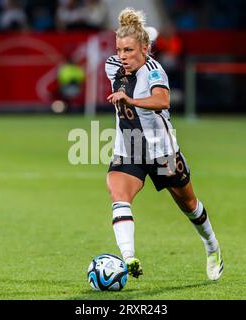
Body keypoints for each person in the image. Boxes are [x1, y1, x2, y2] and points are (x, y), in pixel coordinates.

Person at [104, 8, 223, 280]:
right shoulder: (112, 66)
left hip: (162, 152)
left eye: (129, 50)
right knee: (118, 196)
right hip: (128, 149)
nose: (122, 56)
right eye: (120, 49)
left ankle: (211, 246)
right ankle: (129, 258)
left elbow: (162, 101)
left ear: (145, 48)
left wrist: (130, 100)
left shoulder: (155, 72)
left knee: (189, 204)